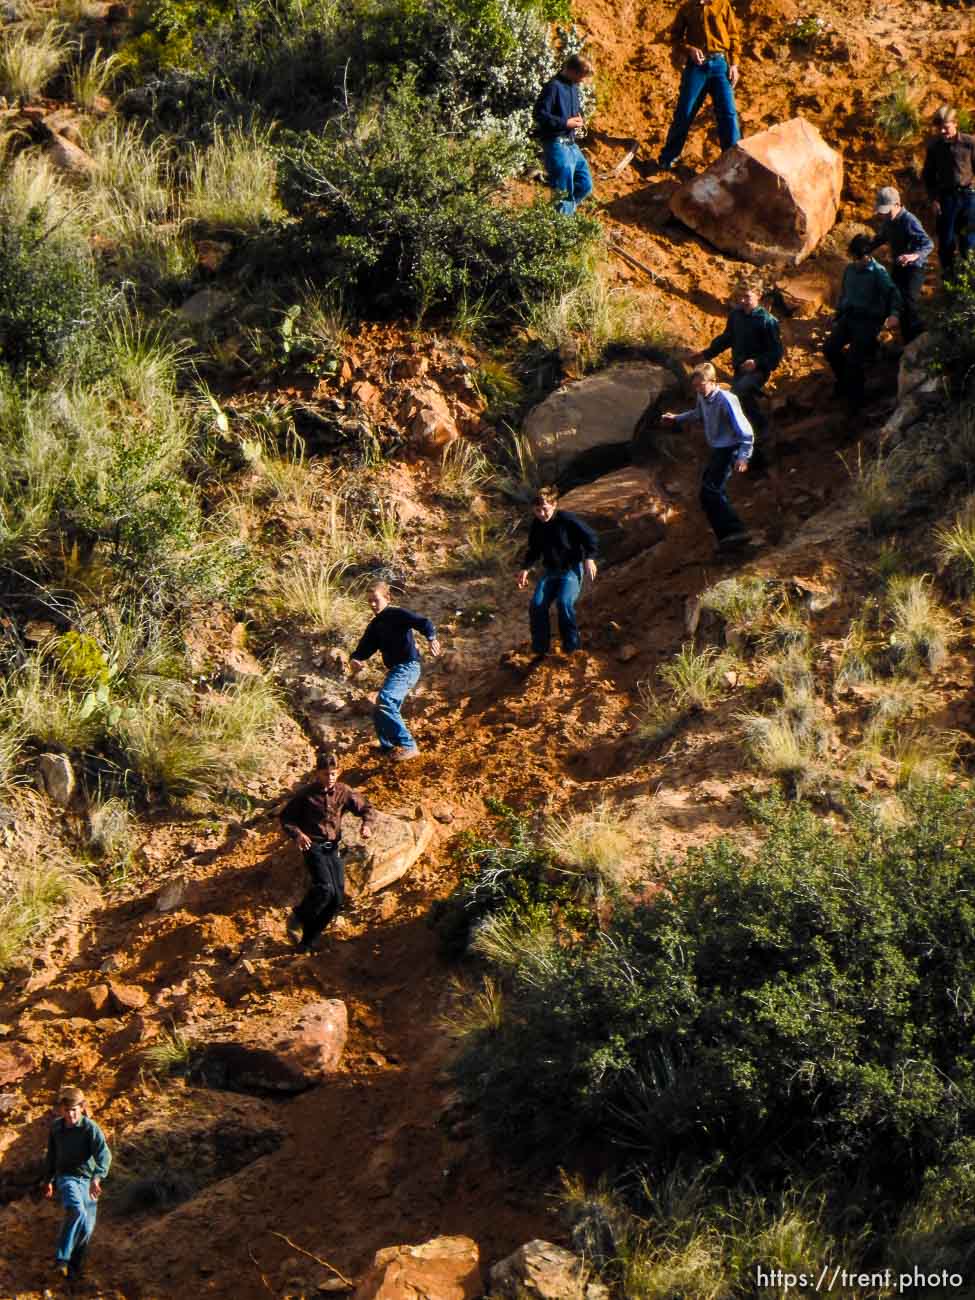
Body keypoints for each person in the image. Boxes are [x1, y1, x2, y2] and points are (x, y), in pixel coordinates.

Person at [280, 748, 376, 953]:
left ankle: (308, 941)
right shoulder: (305, 795)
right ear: (317, 773)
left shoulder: (343, 791)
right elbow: (286, 818)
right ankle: (298, 916)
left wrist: (366, 825)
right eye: (325, 774)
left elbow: (366, 808)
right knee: (325, 888)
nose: (330, 777)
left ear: (338, 772)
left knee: (337, 899)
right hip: (312, 846)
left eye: (333, 773)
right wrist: (298, 835)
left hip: (332, 848)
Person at [662, 362, 753, 547]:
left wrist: (743, 456)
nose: (698, 389)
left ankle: (737, 532)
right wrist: (677, 418)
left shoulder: (727, 399)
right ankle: (725, 536)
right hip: (719, 449)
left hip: (731, 448)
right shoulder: (702, 397)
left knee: (711, 491)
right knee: (707, 493)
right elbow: (698, 413)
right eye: (695, 386)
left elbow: (745, 431)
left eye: (701, 385)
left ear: (712, 381)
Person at [349, 581, 441, 761]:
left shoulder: (396, 614)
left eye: (376, 600)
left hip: (408, 667)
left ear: (387, 598)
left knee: (385, 700)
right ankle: (388, 748)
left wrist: (431, 639)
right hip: (395, 671)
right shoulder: (375, 625)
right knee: (379, 709)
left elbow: (423, 622)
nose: (373, 604)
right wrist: (355, 659)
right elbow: (364, 648)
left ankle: (408, 745)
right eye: (369, 601)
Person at [691, 279, 782, 458]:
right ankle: (747, 432)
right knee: (740, 397)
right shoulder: (736, 316)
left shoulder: (768, 322)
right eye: (739, 297)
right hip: (739, 369)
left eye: (746, 297)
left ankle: (762, 427)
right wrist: (706, 354)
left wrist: (757, 362)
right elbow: (726, 339)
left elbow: (776, 353)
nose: (742, 301)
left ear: (759, 296)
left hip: (758, 371)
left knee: (737, 394)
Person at [657, 0, 742, 171]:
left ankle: (733, 160)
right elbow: (675, 38)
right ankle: (668, 158)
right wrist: (690, 49)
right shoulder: (687, 8)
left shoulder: (722, 5)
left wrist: (734, 64)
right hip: (696, 68)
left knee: (728, 113)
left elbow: (733, 36)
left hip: (720, 65)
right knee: (685, 111)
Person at [516, 486, 598, 660]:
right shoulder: (537, 526)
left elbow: (590, 536)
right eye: (537, 511)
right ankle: (540, 650)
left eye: (545, 509)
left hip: (571, 569)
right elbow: (534, 550)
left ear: (553, 504)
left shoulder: (566, 520)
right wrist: (525, 568)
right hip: (551, 571)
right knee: (537, 605)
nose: (542, 514)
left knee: (564, 602)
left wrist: (589, 558)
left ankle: (572, 648)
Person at [823, 234, 902, 410]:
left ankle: (856, 401)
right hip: (849, 318)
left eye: (861, 257)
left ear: (868, 255)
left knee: (853, 360)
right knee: (829, 349)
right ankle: (843, 383)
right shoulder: (849, 270)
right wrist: (836, 314)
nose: (858, 261)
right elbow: (844, 296)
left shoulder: (879, 273)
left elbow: (893, 294)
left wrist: (894, 314)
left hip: (869, 322)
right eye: (855, 257)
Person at [43, 1087, 111, 1283]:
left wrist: (97, 1178)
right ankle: (61, 1259)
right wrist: (48, 1180)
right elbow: (51, 1156)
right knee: (77, 1211)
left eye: (74, 1109)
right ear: (60, 1110)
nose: (70, 1114)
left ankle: (73, 1271)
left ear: (82, 1108)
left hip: (88, 1182)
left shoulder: (90, 1128)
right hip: (66, 1178)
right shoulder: (56, 1128)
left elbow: (104, 1155)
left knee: (87, 1229)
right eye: (66, 1110)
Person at [868, 186, 934, 342]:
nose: (884, 215)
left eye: (887, 210)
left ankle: (917, 341)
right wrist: (865, 248)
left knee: (910, 303)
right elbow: (881, 238)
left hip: (914, 268)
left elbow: (928, 243)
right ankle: (906, 339)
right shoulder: (888, 221)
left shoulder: (909, 221)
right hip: (899, 265)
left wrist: (913, 256)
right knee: (895, 299)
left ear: (897, 205)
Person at [534, 54, 594, 215]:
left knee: (585, 184)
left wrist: (579, 118)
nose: (582, 80)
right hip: (555, 143)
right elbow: (539, 114)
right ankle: (560, 224)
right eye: (581, 76)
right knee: (563, 190)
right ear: (571, 70)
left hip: (571, 143)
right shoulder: (553, 87)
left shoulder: (573, 87)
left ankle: (560, 215)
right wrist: (565, 123)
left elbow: (571, 111)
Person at [921, 106, 975, 279]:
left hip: (968, 197)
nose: (943, 131)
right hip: (946, 199)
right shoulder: (935, 147)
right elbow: (928, 176)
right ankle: (948, 280)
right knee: (946, 242)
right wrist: (934, 200)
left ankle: (969, 280)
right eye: (940, 128)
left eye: (946, 127)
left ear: (955, 123)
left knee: (969, 241)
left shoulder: (969, 143)